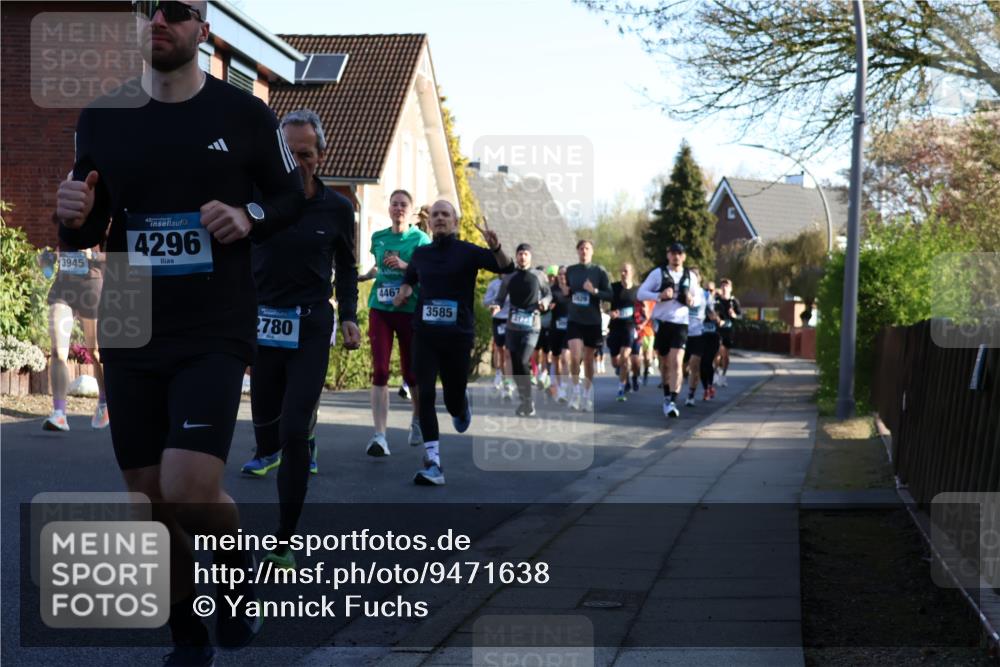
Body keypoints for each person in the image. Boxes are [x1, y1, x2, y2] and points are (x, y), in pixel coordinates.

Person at [54, 2, 305, 662]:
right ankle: (186, 631)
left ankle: (235, 579)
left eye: (175, 10)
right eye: (146, 9)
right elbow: (88, 226)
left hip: (214, 316)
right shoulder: (102, 118)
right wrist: (70, 217)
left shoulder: (246, 116)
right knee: (148, 495)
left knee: (189, 483)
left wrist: (249, 212)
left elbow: (291, 196)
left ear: (203, 30)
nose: (156, 20)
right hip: (132, 311)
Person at [242, 108, 359, 568]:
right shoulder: (254, 200)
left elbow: (348, 265)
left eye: (305, 154)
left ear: (321, 155)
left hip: (311, 323)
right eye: (287, 153)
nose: (296, 162)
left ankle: (285, 539)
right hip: (261, 323)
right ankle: (281, 443)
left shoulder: (338, 208)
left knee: (293, 430)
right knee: (267, 431)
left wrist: (349, 315)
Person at [392, 205, 512, 485]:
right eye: (436, 215)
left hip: (457, 335)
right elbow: (409, 281)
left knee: (452, 398)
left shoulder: (468, 252)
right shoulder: (420, 255)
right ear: (430, 223)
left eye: (446, 215)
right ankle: (433, 462)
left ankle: (461, 406)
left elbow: (505, 267)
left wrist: (496, 246)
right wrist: (401, 295)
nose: (440, 218)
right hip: (425, 334)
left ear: (455, 222)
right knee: (424, 394)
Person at [356, 189, 430, 456]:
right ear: (389, 209)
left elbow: (427, 271)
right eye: (394, 204)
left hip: (409, 310)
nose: (398, 208)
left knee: (411, 373)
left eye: (403, 205)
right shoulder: (378, 237)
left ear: (410, 212)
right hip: (381, 308)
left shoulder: (420, 239)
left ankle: (418, 418)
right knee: (380, 371)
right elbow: (379, 266)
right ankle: (379, 435)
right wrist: (365, 276)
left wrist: (403, 265)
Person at [42, 215, 109, 431]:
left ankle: (105, 402)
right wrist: (50, 259)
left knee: (96, 351)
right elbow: (61, 251)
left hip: (92, 285)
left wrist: (94, 256)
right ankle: (59, 413)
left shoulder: (103, 219)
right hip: (63, 287)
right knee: (58, 351)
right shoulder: (63, 218)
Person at [637, 242, 699, 418]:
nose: (676, 256)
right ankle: (666, 396)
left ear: (684, 256)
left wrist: (691, 300)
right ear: (668, 255)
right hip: (663, 323)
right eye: (673, 253)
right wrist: (659, 296)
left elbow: (698, 299)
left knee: (677, 362)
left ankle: (672, 401)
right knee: (665, 364)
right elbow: (641, 293)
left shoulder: (690, 276)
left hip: (681, 323)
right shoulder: (658, 273)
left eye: (679, 253)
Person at [496, 244, 552, 416]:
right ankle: (525, 401)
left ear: (530, 256)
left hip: (532, 326)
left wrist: (544, 303)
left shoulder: (539, 275)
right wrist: (495, 306)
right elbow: (500, 298)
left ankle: (528, 401)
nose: (522, 257)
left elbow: (549, 294)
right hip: (513, 326)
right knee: (516, 366)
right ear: (516, 256)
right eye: (519, 254)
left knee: (522, 360)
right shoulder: (509, 277)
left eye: (525, 254)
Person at [565, 240, 612, 412]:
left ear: (592, 251)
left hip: (592, 321)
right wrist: (565, 292)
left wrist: (595, 292)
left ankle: (587, 394)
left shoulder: (599, 271)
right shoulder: (571, 270)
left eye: (587, 248)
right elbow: (567, 292)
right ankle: (576, 392)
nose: (584, 251)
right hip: (574, 319)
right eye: (581, 248)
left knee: (589, 360)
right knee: (575, 356)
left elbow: (610, 295)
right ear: (577, 251)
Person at [608, 263, 639, 402]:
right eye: (621, 271)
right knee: (616, 362)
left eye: (626, 271)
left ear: (632, 273)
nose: (623, 273)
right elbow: (603, 302)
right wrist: (609, 312)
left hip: (630, 326)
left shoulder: (637, 290)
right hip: (615, 327)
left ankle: (621, 389)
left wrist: (642, 321)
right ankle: (623, 374)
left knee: (625, 357)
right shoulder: (613, 287)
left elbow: (645, 308)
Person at [484, 275, 514, 400]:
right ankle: (500, 374)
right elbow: (485, 301)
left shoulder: (514, 282)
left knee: (508, 353)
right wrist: (497, 300)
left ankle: (508, 383)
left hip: (511, 319)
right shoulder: (493, 284)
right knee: (500, 350)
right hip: (498, 320)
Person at [682, 268, 707, 407]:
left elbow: (711, 310)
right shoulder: (681, 292)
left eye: (694, 276)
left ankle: (691, 394)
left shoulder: (705, 295)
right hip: (683, 333)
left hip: (698, 334)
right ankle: (682, 378)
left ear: (699, 279)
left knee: (694, 364)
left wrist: (716, 318)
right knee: (682, 366)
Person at [549, 266, 572, 404]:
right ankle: (557, 385)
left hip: (570, 329)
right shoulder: (553, 291)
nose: (562, 276)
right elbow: (546, 303)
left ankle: (563, 388)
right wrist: (548, 306)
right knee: (556, 358)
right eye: (560, 274)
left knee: (565, 358)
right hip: (555, 328)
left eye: (565, 274)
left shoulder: (572, 290)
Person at [715, 278, 742, 387]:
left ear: (731, 288)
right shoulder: (716, 299)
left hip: (729, 330)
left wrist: (734, 315)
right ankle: (716, 373)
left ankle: (723, 375)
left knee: (725, 354)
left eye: (726, 286)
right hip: (717, 329)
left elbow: (740, 315)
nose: (724, 288)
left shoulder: (734, 301)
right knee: (717, 351)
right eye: (722, 286)